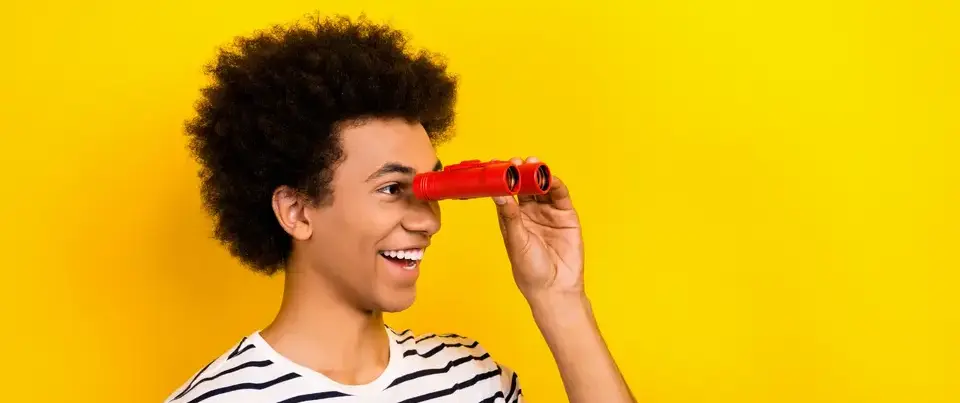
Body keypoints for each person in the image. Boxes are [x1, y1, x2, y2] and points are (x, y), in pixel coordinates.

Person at [165, 14, 635, 403]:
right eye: (391, 189)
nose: (428, 220)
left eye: (430, 190)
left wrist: (560, 299)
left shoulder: (472, 377)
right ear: (298, 211)